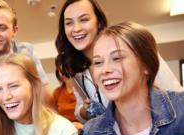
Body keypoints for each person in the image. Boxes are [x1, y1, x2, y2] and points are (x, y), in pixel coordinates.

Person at [55, 0, 183, 123]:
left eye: (84, 20)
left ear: (99, 22)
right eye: (69, 23)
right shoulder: (77, 71)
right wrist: (85, 111)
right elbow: (81, 112)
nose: (76, 28)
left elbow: (176, 96)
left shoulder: (132, 46)